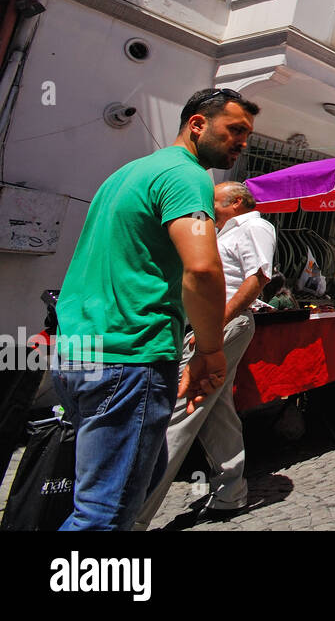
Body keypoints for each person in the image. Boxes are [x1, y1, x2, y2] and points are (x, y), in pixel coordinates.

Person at [52, 87, 256, 530]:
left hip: (79, 350)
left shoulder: (130, 171)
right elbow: (202, 269)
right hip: (129, 357)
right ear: (197, 124)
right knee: (105, 514)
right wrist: (210, 350)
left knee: (101, 495)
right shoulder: (188, 176)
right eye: (235, 130)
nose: (242, 143)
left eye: (247, 134)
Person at [134, 180, 274, 529]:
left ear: (238, 201)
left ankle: (134, 515)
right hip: (208, 323)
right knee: (215, 409)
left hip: (218, 324)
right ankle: (231, 491)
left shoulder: (255, 226)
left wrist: (213, 325)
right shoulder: (225, 229)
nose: (209, 205)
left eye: (215, 200)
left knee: (181, 409)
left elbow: (257, 278)